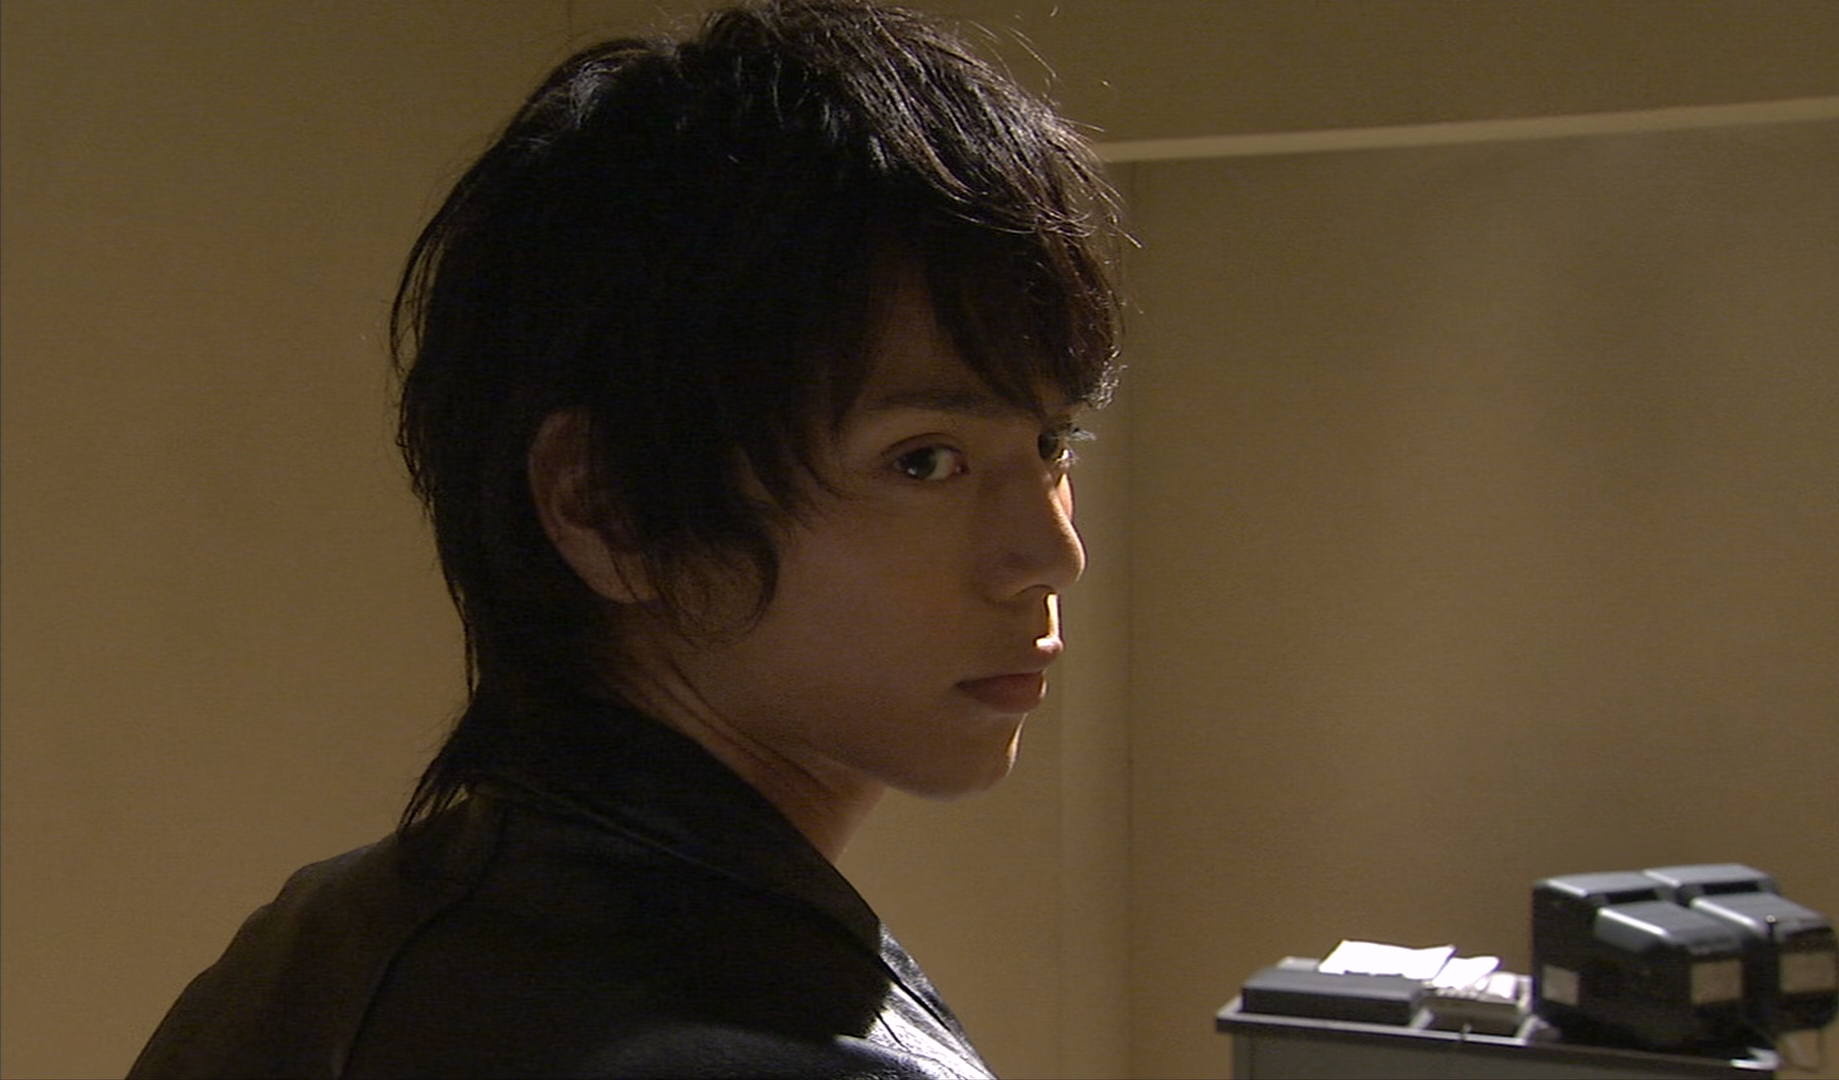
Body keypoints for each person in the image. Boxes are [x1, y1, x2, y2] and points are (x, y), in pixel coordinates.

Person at [126, 0, 1121, 1076]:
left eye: (1052, 442)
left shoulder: (310, 947)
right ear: (612, 508)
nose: (1050, 552)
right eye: (924, 460)